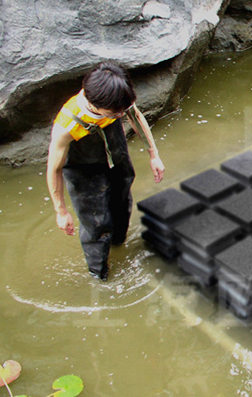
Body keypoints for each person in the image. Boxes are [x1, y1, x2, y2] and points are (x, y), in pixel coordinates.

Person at [46, 62, 165, 280]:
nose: (121, 114)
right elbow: (54, 169)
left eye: (123, 109)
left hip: (115, 156)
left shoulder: (118, 97)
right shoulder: (67, 125)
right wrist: (61, 211)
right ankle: (98, 274)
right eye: (115, 112)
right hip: (83, 171)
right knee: (97, 224)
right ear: (95, 105)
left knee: (122, 204)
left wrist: (153, 154)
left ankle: (119, 243)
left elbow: (135, 116)